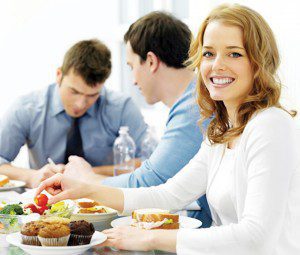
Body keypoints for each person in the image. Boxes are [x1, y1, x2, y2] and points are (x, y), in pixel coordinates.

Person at [36, 4, 300, 254]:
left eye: (234, 53)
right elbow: (168, 195)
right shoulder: (221, 131)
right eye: (208, 53)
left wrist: (150, 237)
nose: (216, 65)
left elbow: (256, 237)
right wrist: (85, 190)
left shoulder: (270, 125)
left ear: (259, 62)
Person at [62, 11, 212, 227]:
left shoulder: (194, 107)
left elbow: (150, 182)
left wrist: (86, 180)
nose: (133, 80)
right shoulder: (192, 101)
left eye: (132, 67)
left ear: (151, 61)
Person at [0, 39, 147, 188]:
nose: (80, 104)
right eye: (74, 91)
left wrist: (88, 173)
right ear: (59, 75)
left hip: (106, 203)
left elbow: (148, 163)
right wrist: (31, 176)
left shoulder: (122, 108)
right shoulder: (26, 108)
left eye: (92, 95)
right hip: (43, 203)